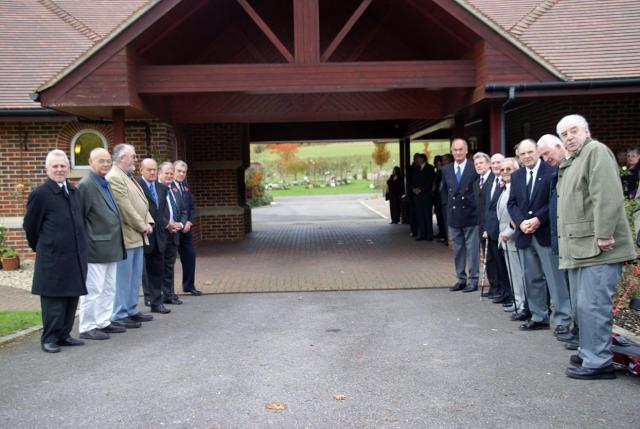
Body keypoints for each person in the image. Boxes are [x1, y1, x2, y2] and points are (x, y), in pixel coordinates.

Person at [557, 114, 636, 380]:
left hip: (599, 246)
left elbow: (607, 194)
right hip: (580, 249)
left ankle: (598, 361)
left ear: (587, 131)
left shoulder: (596, 152)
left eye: (573, 131)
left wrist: (604, 234)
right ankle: (589, 350)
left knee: (593, 305)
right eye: (564, 134)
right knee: (583, 305)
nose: (568, 137)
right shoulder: (574, 161)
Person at [23, 149, 88, 353]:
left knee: (71, 297)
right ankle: (49, 338)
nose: (60, 170)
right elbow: (31, 227)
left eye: (63, 166)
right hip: (52, 256)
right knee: (54, 299)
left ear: (68, 168)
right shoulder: (40, 194)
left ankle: (64, 335)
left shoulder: (74, 192)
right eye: (55, 166)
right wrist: (42, 247)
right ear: (47, 170)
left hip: (74, 255)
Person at [507, 139, 572, 333]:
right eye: (522, 154)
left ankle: (562, 320)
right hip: (525, 235)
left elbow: (555, 201)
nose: (526, 156)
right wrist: (521, 222)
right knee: (532, 278)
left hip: (545, 233)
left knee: (555, 279)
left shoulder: (551, 171)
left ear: (537, 152)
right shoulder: (517, 175)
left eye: (530, 152)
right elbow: (512, 203)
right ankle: (539, 316)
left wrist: (537, 219)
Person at [76, 148, 127, 340]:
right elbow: (80, 218)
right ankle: (87, 326)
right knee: (93, 289)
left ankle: (103, 321)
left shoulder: (105, 183)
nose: (105, 164)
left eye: (108, 161)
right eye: (101, 161)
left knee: (108, 288)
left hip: (111, 246)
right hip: (95, 248)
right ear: (90, 162)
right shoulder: (86, 185)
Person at [537, 135, 578, 348]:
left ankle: (579, 331)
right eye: (542, 155)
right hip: (559, 238)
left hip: (575, 240)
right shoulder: (558, 171)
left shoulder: (571, 168)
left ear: (558, 146)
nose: (545, 159)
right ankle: (578, 331)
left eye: (547, 153)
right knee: (568, 285)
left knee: (577, 289)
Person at [107, 144, 154, 328]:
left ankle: (131, 309)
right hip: (127, 236)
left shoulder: (128, 177)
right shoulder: (114, 177)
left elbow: (142, 203)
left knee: (135, 276)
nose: (136, 160)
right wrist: (142, 225)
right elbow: (125, 207)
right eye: (132, 156)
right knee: (124, 277)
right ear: (120, 158)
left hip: (138, 234)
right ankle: (120, 313)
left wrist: (148, 221)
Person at [441, 138, 480, 292]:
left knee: (472, 249)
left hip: (470, 214)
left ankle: (473, 279)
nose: (458, 152)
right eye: (455, 150)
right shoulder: (446, 169)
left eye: (460, 150)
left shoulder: (473, 168)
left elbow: (478, 192)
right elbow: (444, 193)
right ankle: (460, 279)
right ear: (452, 152)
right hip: (454, 215)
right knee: (458, 250)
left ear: (466, 151)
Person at [138, 158, 172, 314]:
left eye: (154, 170)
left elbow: (161, 211)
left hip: (159, 236)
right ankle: (149, 298)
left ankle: (156, 302)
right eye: (149, 170)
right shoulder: (137, 185)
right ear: (141, 170)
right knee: (143, 271)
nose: (152, 172)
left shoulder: (161, 188)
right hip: (143, 234)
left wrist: (166, 225)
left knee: (157, 270)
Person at [497, 158, 529, 321]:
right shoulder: (504, 188)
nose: (505, 172)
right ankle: (518, 302)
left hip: (514, 236)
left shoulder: (517, 188)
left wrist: (509, 231)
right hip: (504, 237)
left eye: (509, 169)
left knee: (519, 275)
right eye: (502, 170)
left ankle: (522, 305)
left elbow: (518, 211)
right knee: (512, 274)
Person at [483, 153, 513, 307]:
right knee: (498, 265)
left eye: (498, 163)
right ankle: (503, 291)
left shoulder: (508, 182)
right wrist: (487, 228)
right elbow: (488, 209)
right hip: (493, 230)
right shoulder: (491, 182)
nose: (496, 166)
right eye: (493, 163)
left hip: (505, 231)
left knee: (507, 266)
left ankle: (510, 295)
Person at [158, 161, 186, 305]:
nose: (169, 176)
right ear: (159, 174)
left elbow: (183, 210)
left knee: (170, 264)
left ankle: (170, 293)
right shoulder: (156, 189)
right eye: (166, 173)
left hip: (174, 232)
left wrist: (180, 224)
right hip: (162, 233)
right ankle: (157, 296)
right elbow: (155, 211)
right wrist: (167, 225)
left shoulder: (174, 190)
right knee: (159, 266)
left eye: (171, 173)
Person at [174, 160, 202, 296]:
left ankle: (189, 285)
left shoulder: (185, 186)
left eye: (184, 172)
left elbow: (191, 206)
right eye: (178, 171)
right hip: (172, 229)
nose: (181, 174)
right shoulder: (166, 186)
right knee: (168, 261)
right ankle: (168, 291)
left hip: (186, 229)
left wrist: (190, 222)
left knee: (190, 256)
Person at [411, 154, 435, 241]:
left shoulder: (430, 168)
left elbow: (430, 181)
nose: (416, 161)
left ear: (422, 159)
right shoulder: (416, 169)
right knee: (420, 215)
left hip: (426, 195)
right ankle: (422, 234)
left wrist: (421, 189)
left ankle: (429, 235)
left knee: (427, 215)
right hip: (418, 196)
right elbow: (413, 180)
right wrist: (414, 188)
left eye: (417, 159)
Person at [433, 155, 447, 242]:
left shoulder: (444, 172)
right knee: (440, 217)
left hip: (443, 198)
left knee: (444, 218)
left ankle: (445, 236)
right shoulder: (437, 173)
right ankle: (442, 233)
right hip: (437, 198)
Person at [407, 153, 421, 237]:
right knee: (413, 213)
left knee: (419, 214)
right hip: (413, 194)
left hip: (419, 193)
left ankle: (419, 230)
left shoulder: (420, 168)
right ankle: (414, 230)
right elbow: (410, 180)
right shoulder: (411, 168)